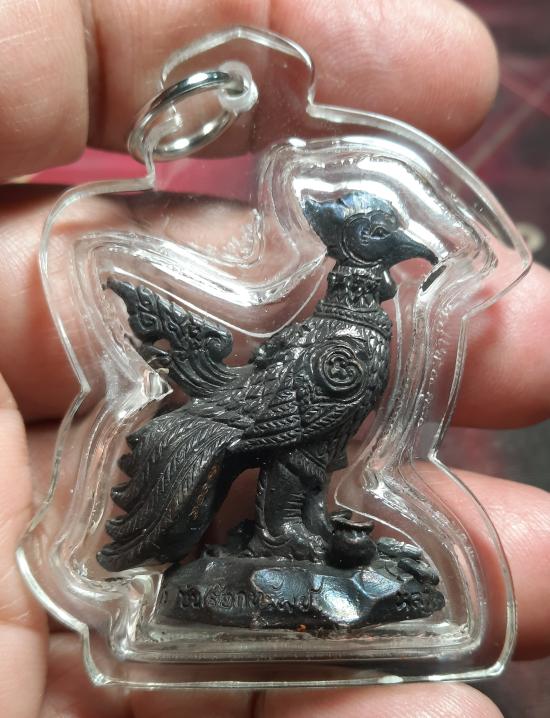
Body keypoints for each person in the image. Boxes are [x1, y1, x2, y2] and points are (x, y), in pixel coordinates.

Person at [0, 1, 548, 716]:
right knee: (300, 457)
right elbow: (291, 439)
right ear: (359, 248)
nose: (405, 244)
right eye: (384, 235)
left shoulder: (351, 329)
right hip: (255, 444)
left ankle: (295, 527)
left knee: (312, 460)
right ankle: (285, 529)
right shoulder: (343, 341)